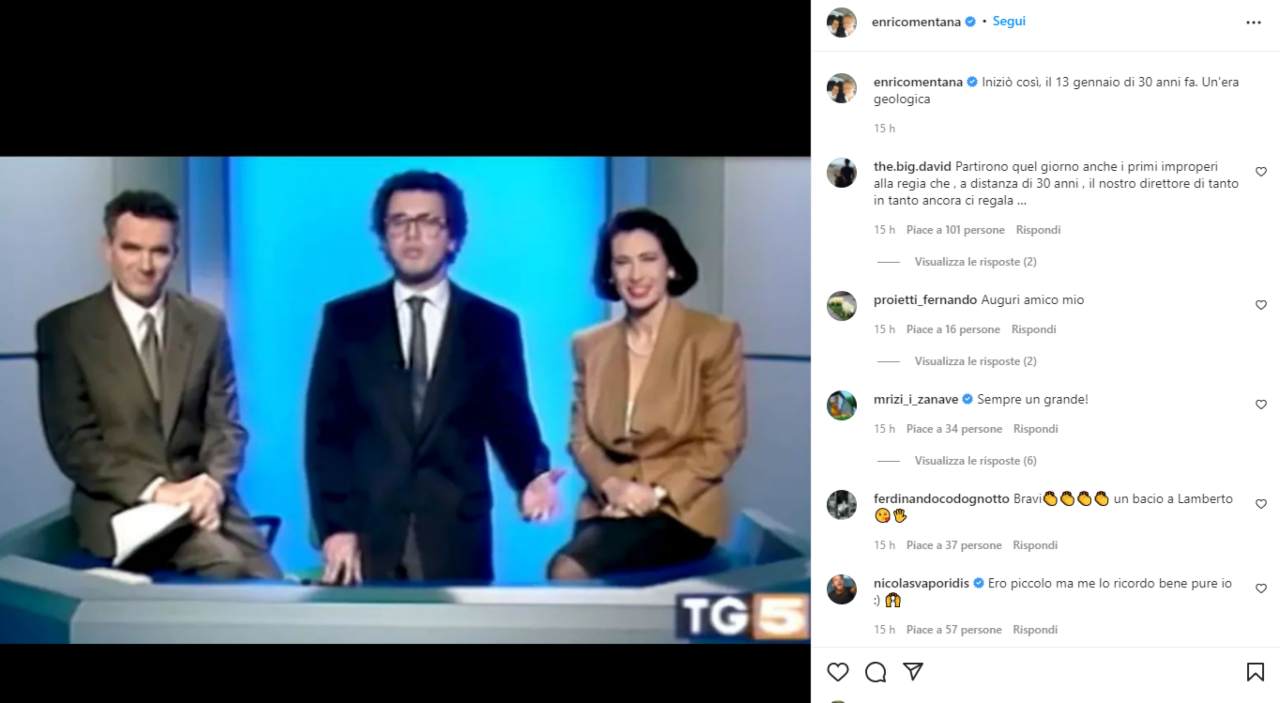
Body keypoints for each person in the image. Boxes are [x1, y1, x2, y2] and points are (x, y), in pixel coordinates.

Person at [305, 170, 562, 586]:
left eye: (428, 222)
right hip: (369, 533)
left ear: (453, 237)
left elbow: (510, 418)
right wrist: (336, 527)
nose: (412, 235)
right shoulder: (346, 321)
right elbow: (325, 436)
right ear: (383, 237)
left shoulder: (491, 325)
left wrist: (532, 476)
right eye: (399, 222)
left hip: (455, 531)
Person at [35, 191, 281, 579]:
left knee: (274, 587)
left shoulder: (206, 324)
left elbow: (226, 427)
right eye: (131, 248)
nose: (146, 265)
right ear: (108, 249)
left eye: (159, 251)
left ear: (175, 253)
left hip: (204, 500)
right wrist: (159, 490)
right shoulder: (65, 329)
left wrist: (212, 486)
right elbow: (75, 445)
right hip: (124, 507)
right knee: (225, 568)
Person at [547, 209, 747, 580]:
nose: (636, 275)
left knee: (567, 570)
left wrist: (652, 495)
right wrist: (612, 487)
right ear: (610, 273)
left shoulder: (713, 337)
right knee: (583, 573)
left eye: (648, 259)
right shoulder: (589, 345)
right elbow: (581, 439)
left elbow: (724, 441)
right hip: (607, 505)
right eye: (622, 262)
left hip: (680, 509)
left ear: (671, 267)